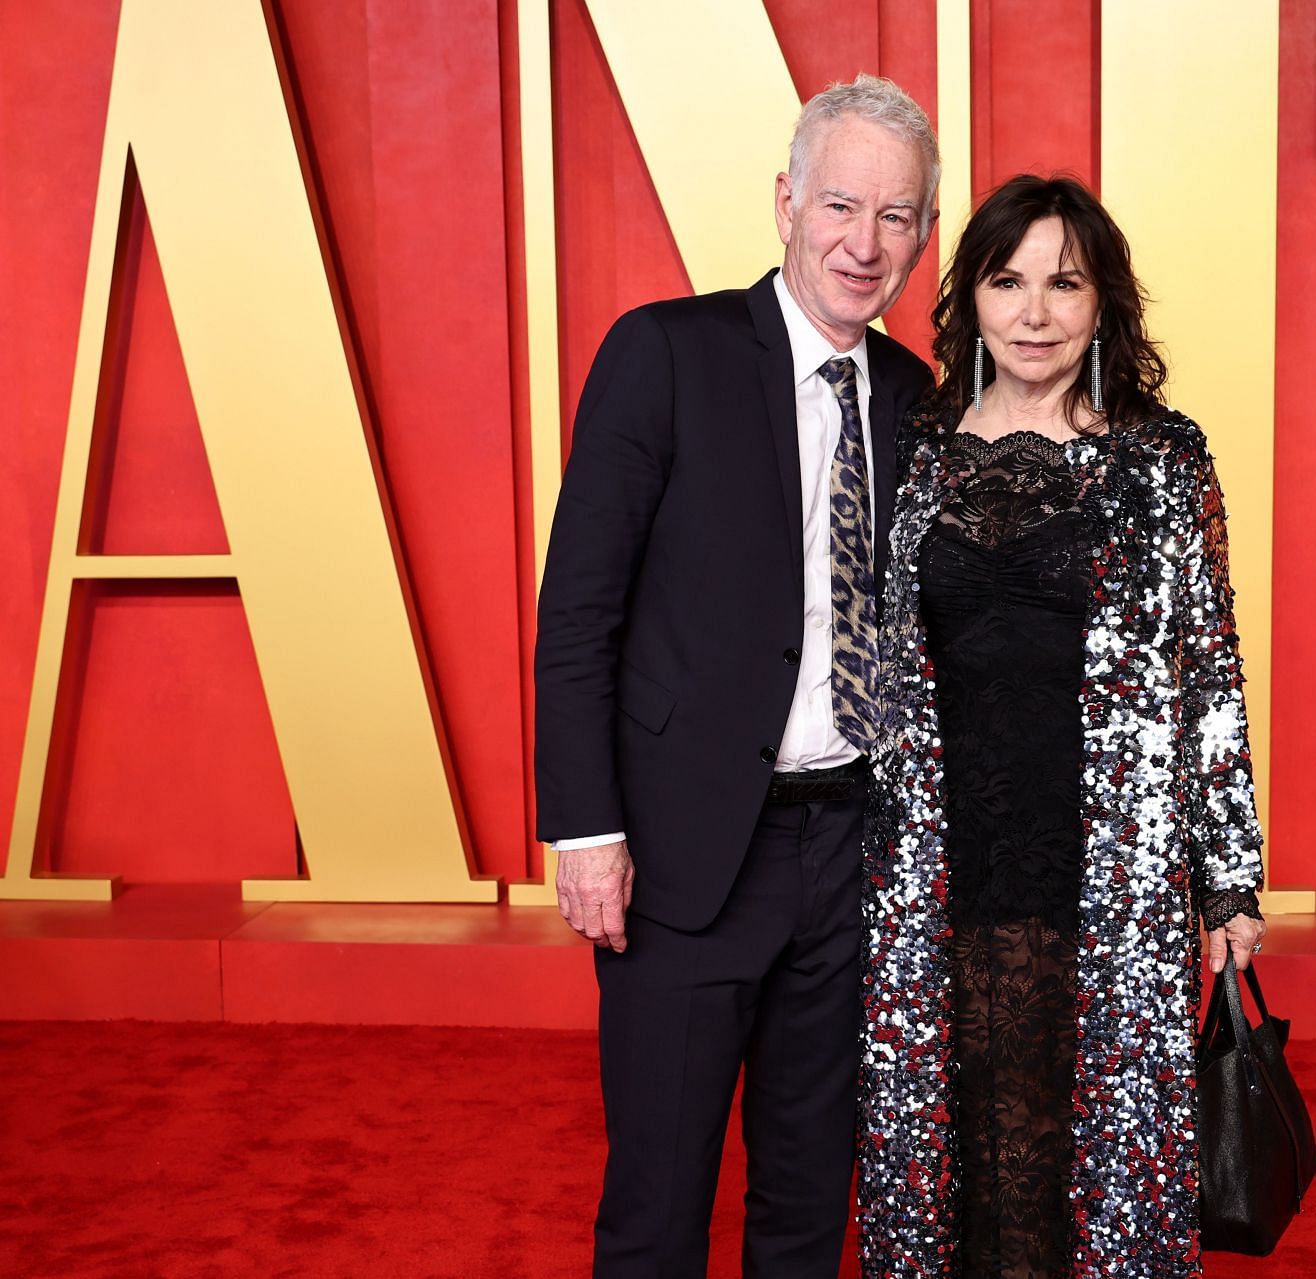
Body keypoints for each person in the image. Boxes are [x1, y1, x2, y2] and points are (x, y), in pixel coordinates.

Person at [533, 76, 938, 1278]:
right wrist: (585, 829)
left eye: (899, 218)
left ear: (922, 235)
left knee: (810, 1206)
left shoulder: (917, 402)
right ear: (785, 202)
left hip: (850, 853)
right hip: (685, 854)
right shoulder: (665, 353)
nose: (865, 246)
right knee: (659, 1208)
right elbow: (578, 614)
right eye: (841, 206)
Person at [857, 175, 1269, 1278]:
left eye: (1063, 283)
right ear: (970, 297)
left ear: (1103, 306)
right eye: (1007, 280)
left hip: (1110, 871)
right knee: (961, 1148)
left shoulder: (1164, 459)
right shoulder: (916, 446)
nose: (1034, 313)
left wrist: (1227, 883)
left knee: (1087, 1155)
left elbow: (1209, 673)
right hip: (942, 871)